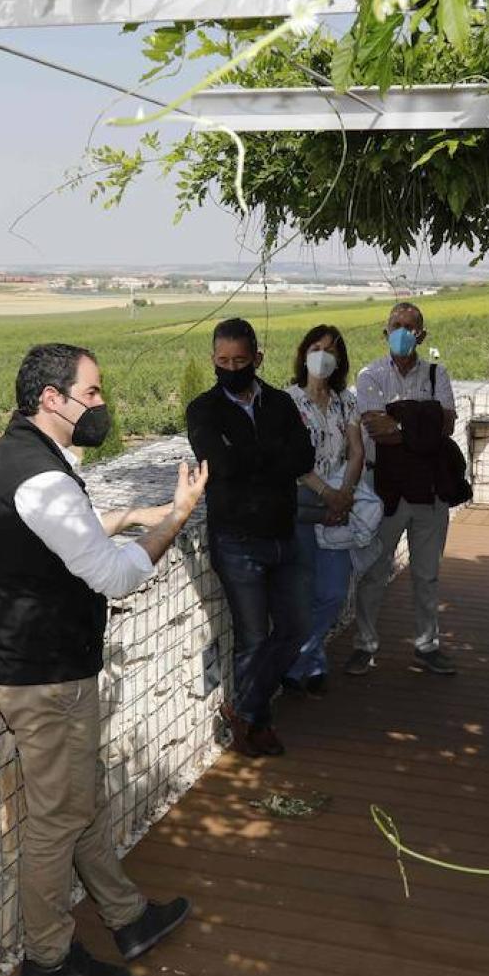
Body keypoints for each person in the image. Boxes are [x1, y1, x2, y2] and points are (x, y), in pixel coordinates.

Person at [0, 343, 207, 976]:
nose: (101, 404)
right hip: (47, 678)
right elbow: (113, 575)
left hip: (31, 667)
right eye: (93, 393)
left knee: (81, 800)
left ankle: (127, 916)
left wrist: (127, 516)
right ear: (54, 399)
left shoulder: (10, 458)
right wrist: (177, 518)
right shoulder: (42, 475)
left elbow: (57, 535)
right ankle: (48, 958)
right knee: (57, 819)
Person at [185, 318, 316, 757]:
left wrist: (249, 458)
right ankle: (256, 724)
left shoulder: (278, 402)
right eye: (223, 361)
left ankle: (243, 707)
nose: (231, 368)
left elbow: (304, 455)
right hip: (237, 541)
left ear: (257, 359)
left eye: (240, 360)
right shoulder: (203, 410)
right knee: (254, 637)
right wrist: (267, 456)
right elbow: (220, 464)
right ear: (213, 360)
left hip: (284, 536)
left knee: (297, 626)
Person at [346, 301, 460, 676]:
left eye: (410, 326)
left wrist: (401, 422)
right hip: (387, 489)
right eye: (396, 325)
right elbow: (377, 429)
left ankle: (427, 645)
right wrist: (421, 423)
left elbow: (445, 427)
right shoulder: (370, 375)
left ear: (422, 335)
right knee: (375, 571)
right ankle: (365, 645)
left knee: (427, 574)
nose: (402, 331)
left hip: (430, 490)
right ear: (385, 331)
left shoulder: (435, 374)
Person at [283, 325, 365, 696]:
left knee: (332, 591)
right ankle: (313, 663)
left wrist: (343, 495)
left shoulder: (346, 401)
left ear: (340, 359)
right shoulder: (286, 401)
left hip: (338, 502)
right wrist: (327, 494)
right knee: (302, 593)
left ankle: (296, 658)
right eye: (316, 348)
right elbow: (290, 459)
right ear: (304, 353)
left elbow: (356, 451)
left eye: (330, 350)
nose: (322, 356)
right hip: (300, 505)